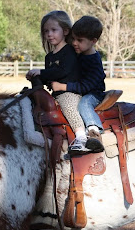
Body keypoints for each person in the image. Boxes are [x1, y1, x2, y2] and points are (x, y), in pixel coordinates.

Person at [26, 10, 89, 154]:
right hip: (56, 94)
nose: (49, 34)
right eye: (46, 31)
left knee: (68, 106)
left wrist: (41, 72)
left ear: (65, 31)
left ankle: (81, 136)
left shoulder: (70, 51)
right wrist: (37, 78)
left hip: (70, 92)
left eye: (54, 30)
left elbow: (62, 72)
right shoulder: (49, 57)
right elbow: (50, 77)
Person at [51, 15, 106, 153]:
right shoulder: (79, 53)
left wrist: (63, 87)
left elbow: (85, 86)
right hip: (81, 91)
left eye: (79, 40)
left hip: (94, 93)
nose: (74, 43)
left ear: (93, 41)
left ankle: (94, 133)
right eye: (73, 39)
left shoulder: (93, 61)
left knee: (84, 104)